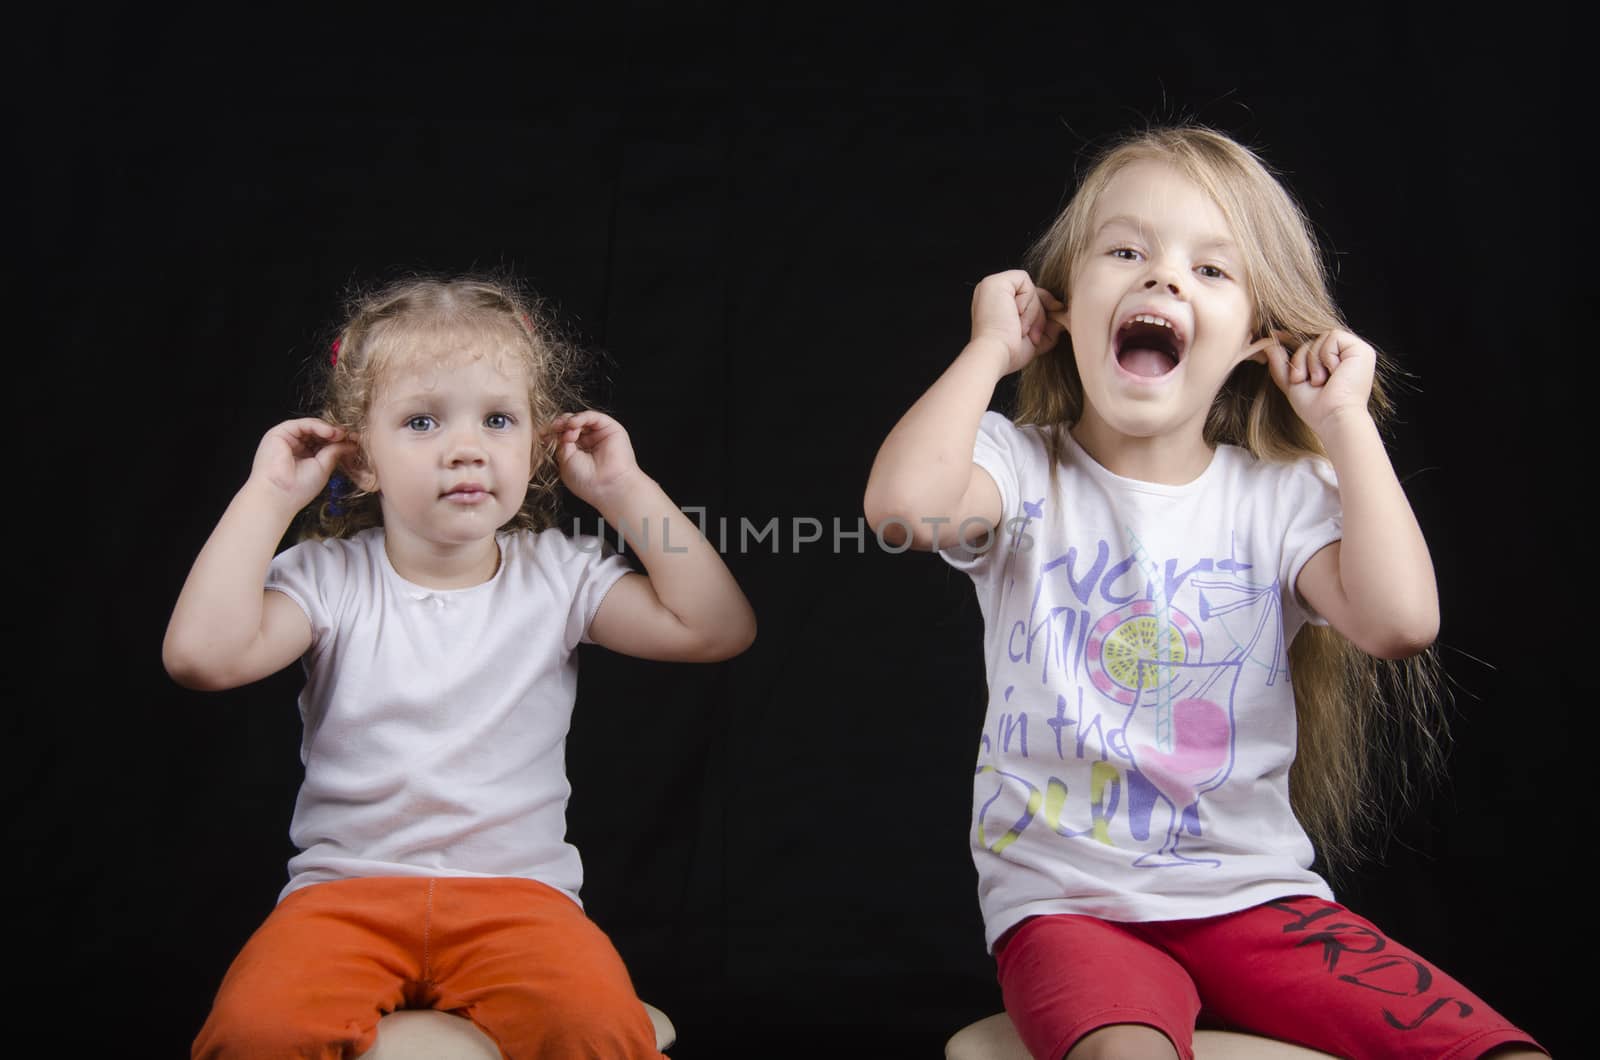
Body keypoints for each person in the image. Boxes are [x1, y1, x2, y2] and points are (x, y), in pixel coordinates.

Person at [863, 127, 1544, 1060]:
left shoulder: (1279, 497)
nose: (1165, 280)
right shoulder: (1017, 469)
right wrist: (989, 349)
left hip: (1260, 902)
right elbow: (904, 508)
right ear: (1061, 304)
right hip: (1071, 909)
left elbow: (1399, 623)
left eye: (1212, 271)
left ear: (1257, 338)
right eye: (1127, 251)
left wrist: (1345, 424)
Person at [165, 276, 756, 1059]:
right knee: (253, 1033)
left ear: (537, 448)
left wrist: (625, 491)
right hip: (342, 899)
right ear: (361, 457)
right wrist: (268, 497)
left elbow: (716, 628)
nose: (466, 445)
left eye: (499, 419)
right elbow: (202, 658)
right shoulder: (328, 575)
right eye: (420, 421)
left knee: (597, 1032)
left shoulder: (560, 575)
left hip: (521, 902)